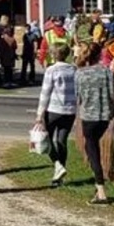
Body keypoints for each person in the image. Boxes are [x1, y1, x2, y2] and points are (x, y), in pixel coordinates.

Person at [75, 42, 114, 205]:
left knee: (92, 149)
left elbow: (76, 95)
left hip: (88, 116)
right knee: (92, 146)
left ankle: (101, 189)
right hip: (104, 117)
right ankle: (98, 188)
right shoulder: (106, 72)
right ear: (99, 55)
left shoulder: (80, 74)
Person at [35, 44, 77, 186]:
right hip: (70, 111)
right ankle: (59, 177)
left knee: (46, 138)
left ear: (53, 55)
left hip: (54, 109)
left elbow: (45, 93)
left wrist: (39, 114)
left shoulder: (51, 70)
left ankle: (58, 165)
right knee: (62, 141)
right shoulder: (73, 70)